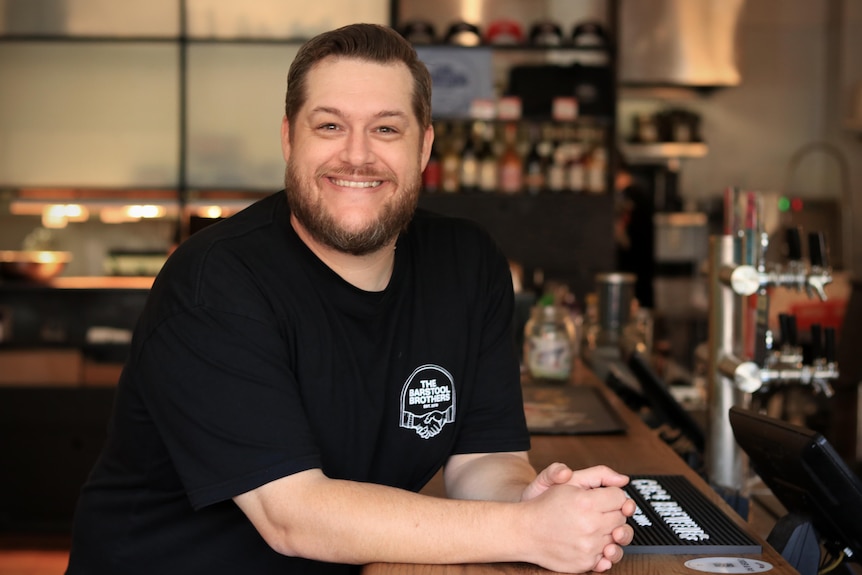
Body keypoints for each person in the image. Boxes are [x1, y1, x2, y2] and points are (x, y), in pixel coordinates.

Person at [65, 23, 634, 575]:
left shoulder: (467, 262)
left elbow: (485, 460)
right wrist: (529, 532)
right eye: (330, 126)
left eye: (386, 129)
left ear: (425, 146)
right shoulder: (215, 283)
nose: (356, 156)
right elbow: (294, 517)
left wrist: (527, 500)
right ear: (290, 139)